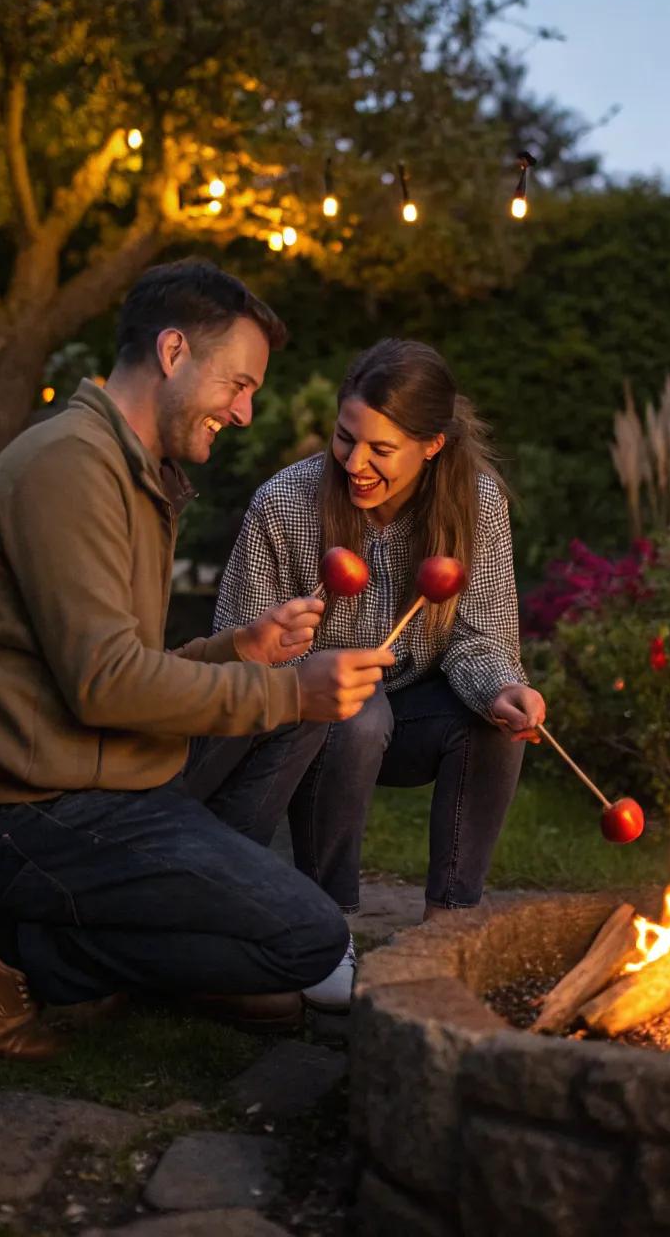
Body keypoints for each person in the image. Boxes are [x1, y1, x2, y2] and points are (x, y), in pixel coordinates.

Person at [0, 259, 394, 1063]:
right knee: (309, 941)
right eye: (238, 384)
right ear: (174, 352)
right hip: (23, 814)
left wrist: (239, 650)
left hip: (101, 784)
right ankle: (10, 948)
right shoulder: (70, 469)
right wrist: (285, 691)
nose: (245, 412)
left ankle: (130, 930)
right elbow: (107, 685)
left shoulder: (132, 471)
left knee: (283, 959)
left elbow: (119, 665)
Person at [213, 337, 546, 1010]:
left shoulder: (475, 506)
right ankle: (326, 922)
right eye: (345, 439)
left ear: (432, 446)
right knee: (360, 713)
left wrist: (504, 688)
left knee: (492, 722)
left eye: (380, 450)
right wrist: (282, 649)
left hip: (417, 710)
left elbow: (479, 639)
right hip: (314, 715)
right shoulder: (285, 505)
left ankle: (446, 927)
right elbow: (234, 651)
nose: (355, 464)